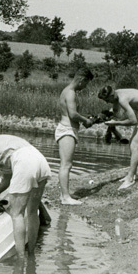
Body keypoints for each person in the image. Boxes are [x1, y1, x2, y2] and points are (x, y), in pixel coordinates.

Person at [0, 135, 50, 259]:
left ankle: (20, 259)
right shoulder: (3, 146)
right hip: (41, 161)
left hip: (24, 162)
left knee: (16, 214)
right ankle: (31, 255)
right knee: (32, 212)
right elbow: (6, 181)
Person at [98, 86, 138, 190]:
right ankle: (132, 174)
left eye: (107, 100)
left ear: (111, 95)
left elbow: (133, 121)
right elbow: (115, 113)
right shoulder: (116, 95)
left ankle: (130, 179)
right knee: (133, 143)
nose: (107, 102)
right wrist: (102, 117)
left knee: (135, 145)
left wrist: (116, 123)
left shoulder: (122, 99)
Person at [56, 67, 95, 205]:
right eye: (86, 83)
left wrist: (83, 118)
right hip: (67, 130)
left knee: (65, 164)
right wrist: (86, 120)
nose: (85, 87)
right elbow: (72, 114)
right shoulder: (71, 93)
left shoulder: (66, 91)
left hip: (66, 128)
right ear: (82, 80)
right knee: (66, 164)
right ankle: (66, 197)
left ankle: (64, 195)